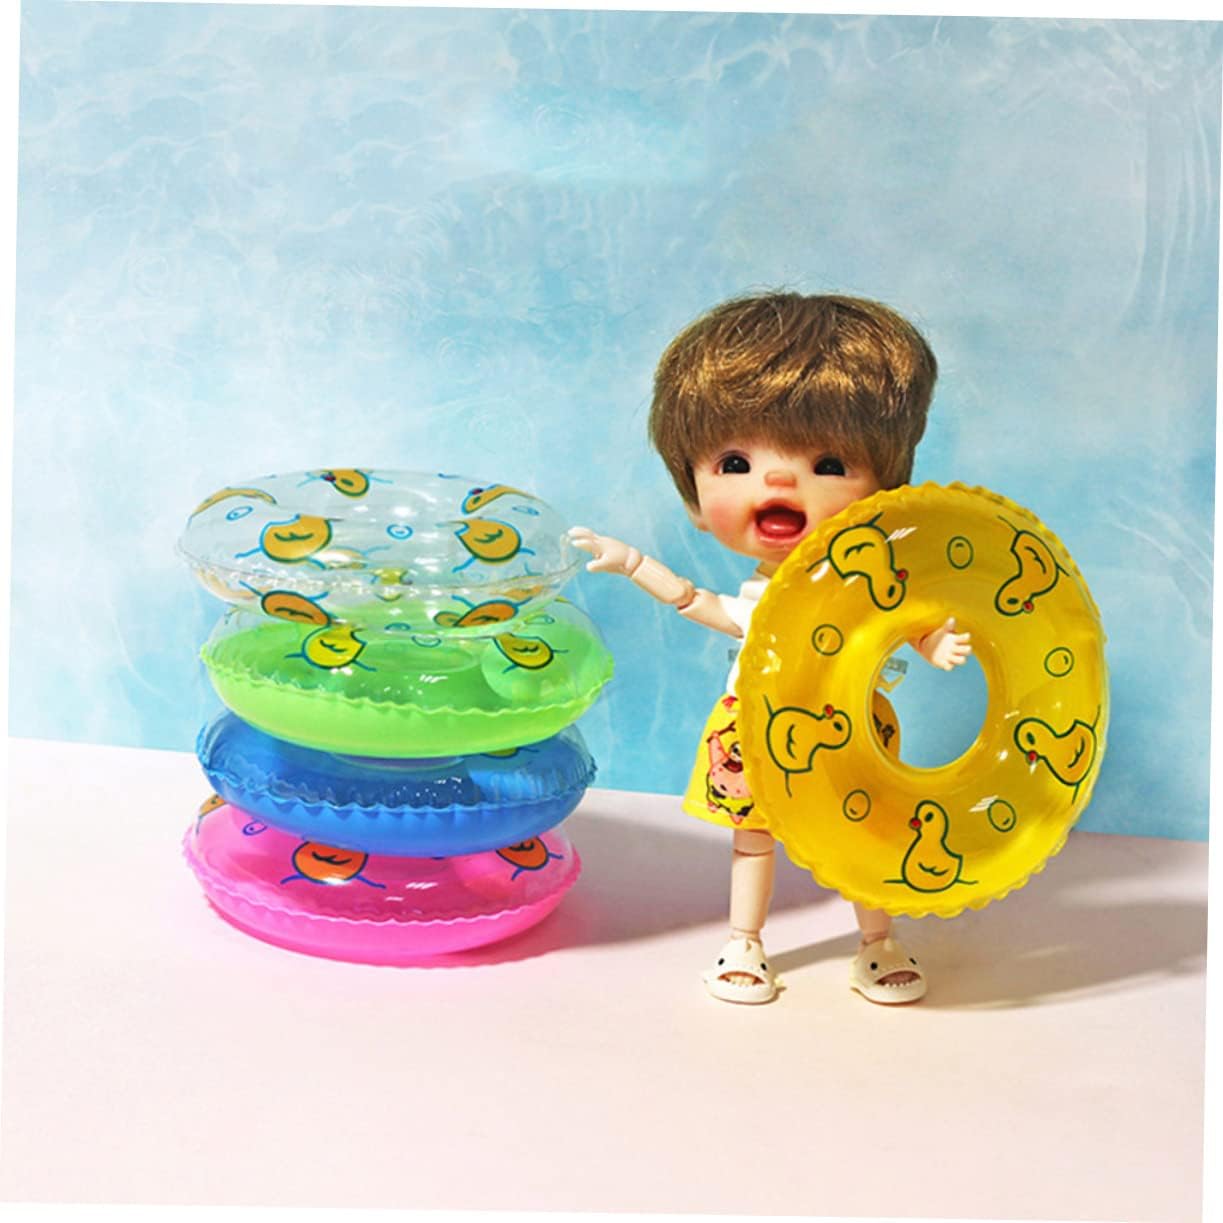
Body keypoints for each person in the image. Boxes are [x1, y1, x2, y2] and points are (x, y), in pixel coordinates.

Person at [569, 291, 972, 1005]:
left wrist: (932, 638)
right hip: (754, 730)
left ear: (885, 491)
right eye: (735, 462)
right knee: (753, 837)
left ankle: (877, 942)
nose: (780, 480)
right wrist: (632, 563)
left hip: (852, 730)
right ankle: (744, 941)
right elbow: (698, 602)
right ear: (693, 497)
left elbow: (897, 619)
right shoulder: (759, 598)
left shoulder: (864, 586)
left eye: (829, 462)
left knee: (863, 835)